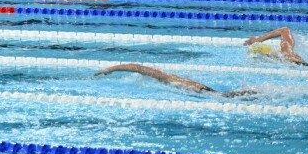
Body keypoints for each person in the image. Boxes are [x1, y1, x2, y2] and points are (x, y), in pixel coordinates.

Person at [95, 64, 258, 98]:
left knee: (225, 96)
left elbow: (137, 67)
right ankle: (251, 92)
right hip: (199, 89)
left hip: (198, 90)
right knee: (225, 95)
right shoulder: (168, 78)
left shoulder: (162, 77)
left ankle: (253, 92)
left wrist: (111, 69)